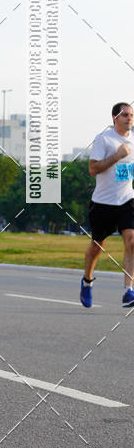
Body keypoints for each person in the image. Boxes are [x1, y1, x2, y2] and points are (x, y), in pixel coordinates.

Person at [80, 102, 134, 308]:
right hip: (103, 203)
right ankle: (87, 282)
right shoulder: (104, 139)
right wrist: (116, 156)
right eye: (125, 115)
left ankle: (128, 291)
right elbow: (93, 169)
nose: (129, 118)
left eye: (131, 115)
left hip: (127, 200)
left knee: (132, 241)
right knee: (97, 246)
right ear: (115, 118)